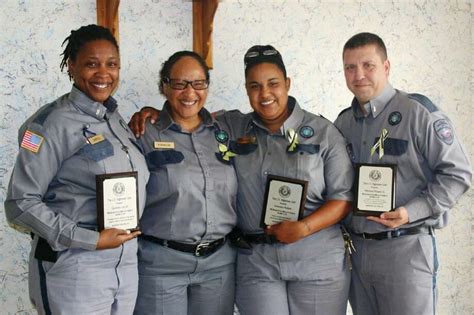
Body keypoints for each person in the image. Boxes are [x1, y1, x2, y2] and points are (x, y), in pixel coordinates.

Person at [130, 45, 354, 315]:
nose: (265, 93)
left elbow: (343, 198)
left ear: (288, 84)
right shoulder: (232, 127)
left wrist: (303, 228)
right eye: (255, 86)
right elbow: (189, 118)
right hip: (257, 263)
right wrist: (152, 113)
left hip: (315, 257)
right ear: (246, 90)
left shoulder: (324, 132)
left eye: (273, 84)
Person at [4, 24, 149, 314]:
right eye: (91, 64)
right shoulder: (50, 123)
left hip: (124, 264)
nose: (103, 74)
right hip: (76, 265)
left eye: (111, 64)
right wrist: (91, 240)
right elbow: (20, 203)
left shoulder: (116, 120)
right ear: (72, 66)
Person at [333, 32, 472, 315]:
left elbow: (458, 175)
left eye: (368, 65)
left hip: (406, 248)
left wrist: (411, 211)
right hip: (358, 254)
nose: (358, 75)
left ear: (386, 67)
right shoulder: (343, 123)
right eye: (350, 67)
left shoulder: (418, 112)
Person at [133, 51, 237, 315]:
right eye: (179, 83)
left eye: (198, 83)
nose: (190, 92)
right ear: (164, 86)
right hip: (161, 267)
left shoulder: (227, 130)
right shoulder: (143, 133)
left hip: (219, 266)